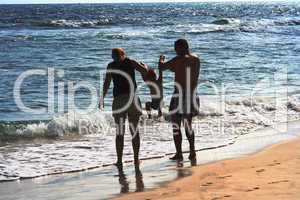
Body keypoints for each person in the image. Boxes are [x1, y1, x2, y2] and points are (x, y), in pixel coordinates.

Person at [99, 48, 149, 168]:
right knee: (134, 130)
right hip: (132, 99)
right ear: (123, 54)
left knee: (120, 132)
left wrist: (102, 98)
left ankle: (119, 161)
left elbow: (107, 83)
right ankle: (136, 159)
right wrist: (145, 65)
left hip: (119, 100)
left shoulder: (111, 65)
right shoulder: (130, 62)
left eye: (113, 56)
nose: (113, 58)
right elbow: (145, 72)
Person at [159, 39, 200, 161]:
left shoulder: (178, 60)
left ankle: (179, 153)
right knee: (188, 125)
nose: (175, 51)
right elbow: (180, 69)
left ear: (182, 48)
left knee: (176, 125)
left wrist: (161, 58)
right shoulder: (195, 59)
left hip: (179, 95)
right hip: (193, 94)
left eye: (176, 48)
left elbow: (162, 67)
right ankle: (192, 151)